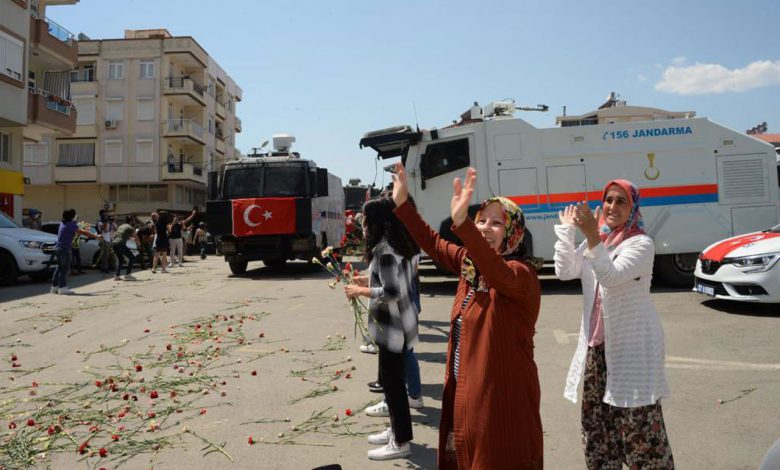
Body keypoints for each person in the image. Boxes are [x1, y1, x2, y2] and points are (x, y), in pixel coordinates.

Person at [391, 163, 543, 469]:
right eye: (481, 220)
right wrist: (403, 203)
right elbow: (433, 243)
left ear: (514, 232)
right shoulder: (469, 267)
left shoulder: (521, 276)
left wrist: (464, 226)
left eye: (497, 223)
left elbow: (497, 273)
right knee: (462, 455)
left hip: (500, 397)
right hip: (463, 390)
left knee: (495, 458)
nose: (486, 227)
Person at [554, 179, 674, 469]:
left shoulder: (641, 244)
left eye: (621, 201)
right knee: (598, 426)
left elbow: (610, 275)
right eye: (608, 200)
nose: (612, 206)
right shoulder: (600, 240)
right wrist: (569, 232)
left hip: (632, 349)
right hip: (598, 349)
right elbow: (564, 271)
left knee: (637, 426)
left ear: (633, 208)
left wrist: (592, 235)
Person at [344, 197, 419, 461]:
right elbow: (394, 280)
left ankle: (400, 442)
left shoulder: (385, 250)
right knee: (393, 383)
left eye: (364, 219)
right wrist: (366, 279)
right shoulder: (399, 244)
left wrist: (360, 290)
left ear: (377, 221)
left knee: (393, 385)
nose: (362, 225)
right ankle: (396, 430)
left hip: (393, 328)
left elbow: (392, 291)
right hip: (401, 325)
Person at [51, 209, 99, 295]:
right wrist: (96, 236)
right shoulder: (71, 225)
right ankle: (62, 288)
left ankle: (55, 287)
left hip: (58, 248)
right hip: (64, 249)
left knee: (59, 268)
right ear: (72, 217)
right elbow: (83, 232)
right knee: (64, 269)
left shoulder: (62, 223)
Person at [113, 216, 141, 281]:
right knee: (132, 257)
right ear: (131, 221)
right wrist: (139, 244)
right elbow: (136, 237)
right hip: (120, 244)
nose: (134, 222)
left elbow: (115, 235)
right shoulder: (130, 227)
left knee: (121, 260)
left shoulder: (120, 226)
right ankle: (128, 275)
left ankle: (117, 275)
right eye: (133, 220)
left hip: (114, 243)